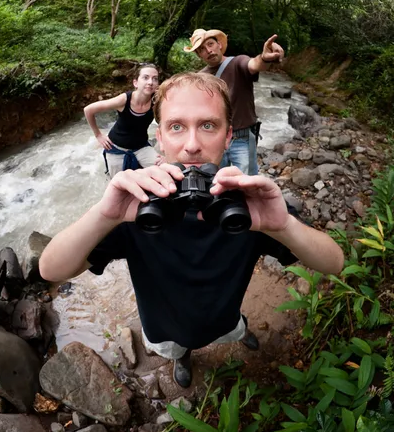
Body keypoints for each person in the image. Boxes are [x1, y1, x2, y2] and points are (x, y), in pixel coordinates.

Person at [39, 73, 344, 388]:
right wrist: (105, 214)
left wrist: (283, 225)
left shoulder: (250, 206)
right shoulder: (137, 208)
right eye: (176, 127)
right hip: (165, 328)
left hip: (225, 317)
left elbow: (333, 263)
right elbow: (51, 269)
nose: (193, 145)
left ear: (228, 136)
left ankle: (241, 332)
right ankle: (182, 359)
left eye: (208, 126)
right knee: (176, 350)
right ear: (159, 137)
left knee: (235, 328)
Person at [184, 28, 284, 176]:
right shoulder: (200, 78)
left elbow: (254, 64)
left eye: (210, 44)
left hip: (242, 138)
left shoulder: (238, 63)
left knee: (248, 183)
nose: (208, 50)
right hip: (214, 139)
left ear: (219, 44)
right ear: (199, 55)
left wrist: (265, 58)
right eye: (202, 49)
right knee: (217, 182)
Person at [84, 63, 163, 177]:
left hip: (141, 147)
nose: (150, 82)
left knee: (163, 170)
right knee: (120, 185)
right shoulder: (124, 100)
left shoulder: (156, 101)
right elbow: (88, 110)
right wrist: (98, 135)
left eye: (154, 79)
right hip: (116, 148)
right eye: (145, 77)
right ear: (135, 82)